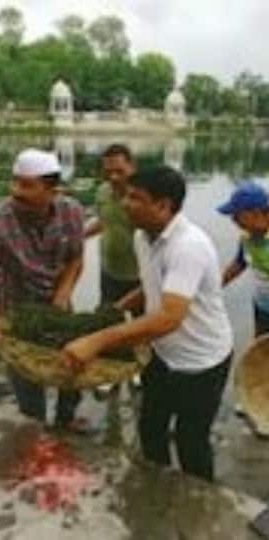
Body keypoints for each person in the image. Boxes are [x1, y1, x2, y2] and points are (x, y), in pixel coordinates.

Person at [60, 166, 233, 482]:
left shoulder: (188, 246)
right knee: (151, 429)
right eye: (127, 195)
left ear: (164, 206)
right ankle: (160, 491)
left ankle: (201, 507)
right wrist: (117, 308)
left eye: (135, 198)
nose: (125, 203)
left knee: (191, 443)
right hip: (161, 356)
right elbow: (152, 284)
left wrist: (97, 341)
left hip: (202, 363)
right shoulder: (143, 236)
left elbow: (168, 318)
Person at [0, 148, 87, 430]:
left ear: (52, 189)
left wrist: (63, 293)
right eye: (15, 182)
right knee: (27, 381)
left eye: (27, 185)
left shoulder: (73, 212)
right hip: (16, 310)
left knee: (71, 369)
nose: (16, 191)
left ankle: (67, 418)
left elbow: (76, 259)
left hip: (58, 307)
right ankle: (35, 430)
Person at [84, 144, 141, 398]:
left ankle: (137, 367)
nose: (114, 177)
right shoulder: (103, 192)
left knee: (140, 324)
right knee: (107, 318)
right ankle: (109, 372)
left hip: (140, 274)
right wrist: (79, 236)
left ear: (132, 166)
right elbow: (102, 221)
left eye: (120, 170)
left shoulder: (142, 196)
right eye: (109, 171)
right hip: (109, 269)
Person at [216, 180, 269, 437]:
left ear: (257, 212)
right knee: (260, 353)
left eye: (238, 216)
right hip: (261, 306)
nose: (234, 221)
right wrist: (213, 287)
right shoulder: (247, 237)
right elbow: (239, 265)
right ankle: (256, 398)